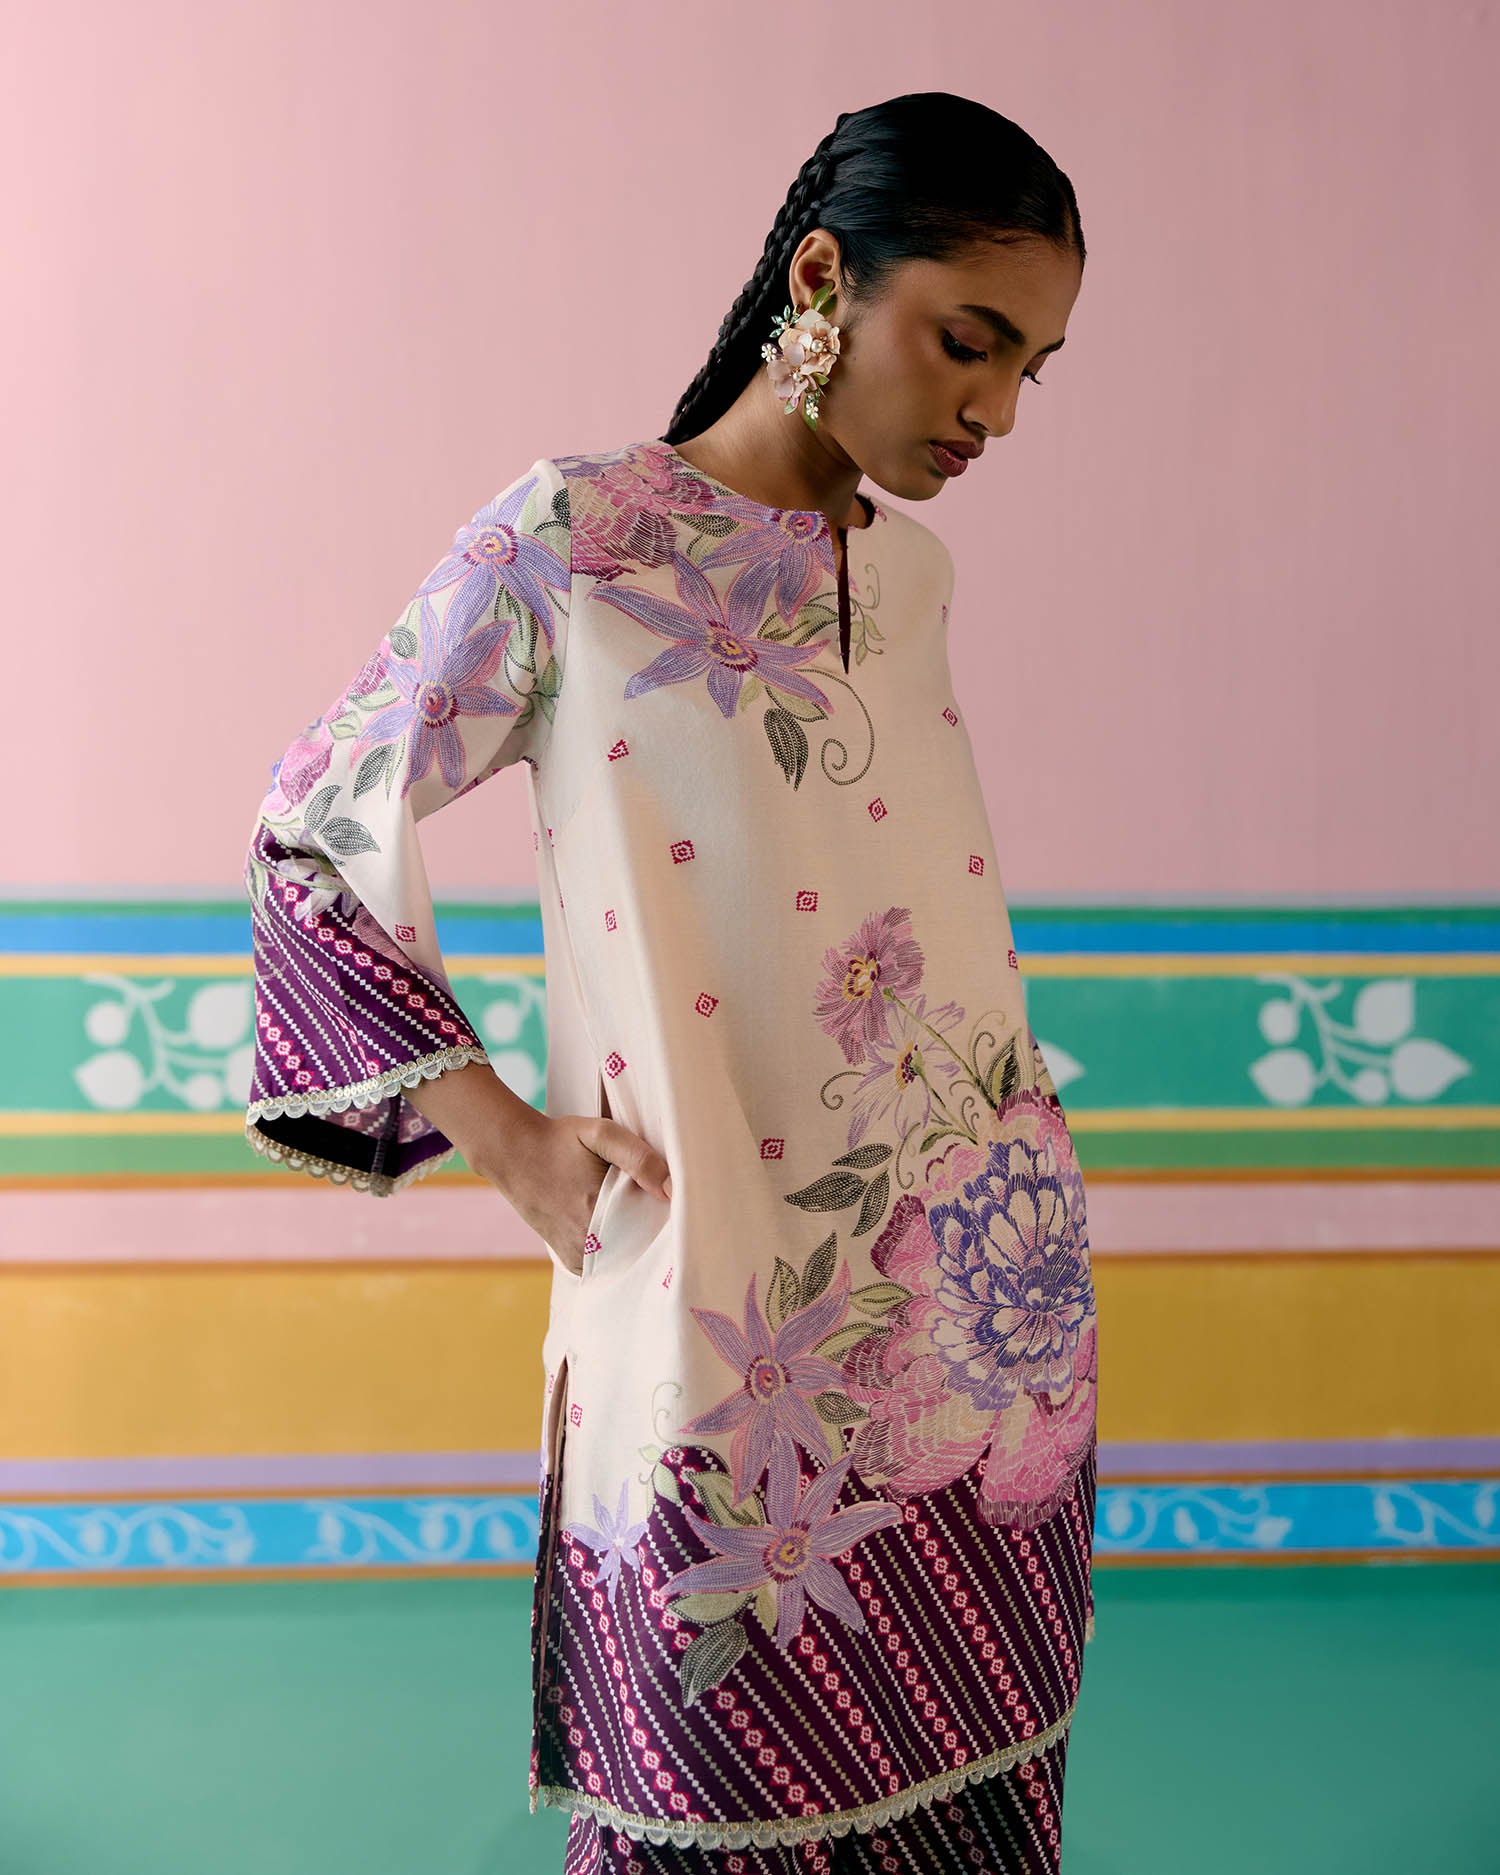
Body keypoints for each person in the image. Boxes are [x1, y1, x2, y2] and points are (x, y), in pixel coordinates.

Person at [242, 90, 1096, 1875]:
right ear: (823, 279)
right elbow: (315, 829)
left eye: (1034, 368)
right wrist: (504, 1138)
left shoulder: (914, 579)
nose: (1000, 412)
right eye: (970, 343)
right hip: (717, 1322)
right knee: (704, 1795)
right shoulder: (576, 542)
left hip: (982, 1321)